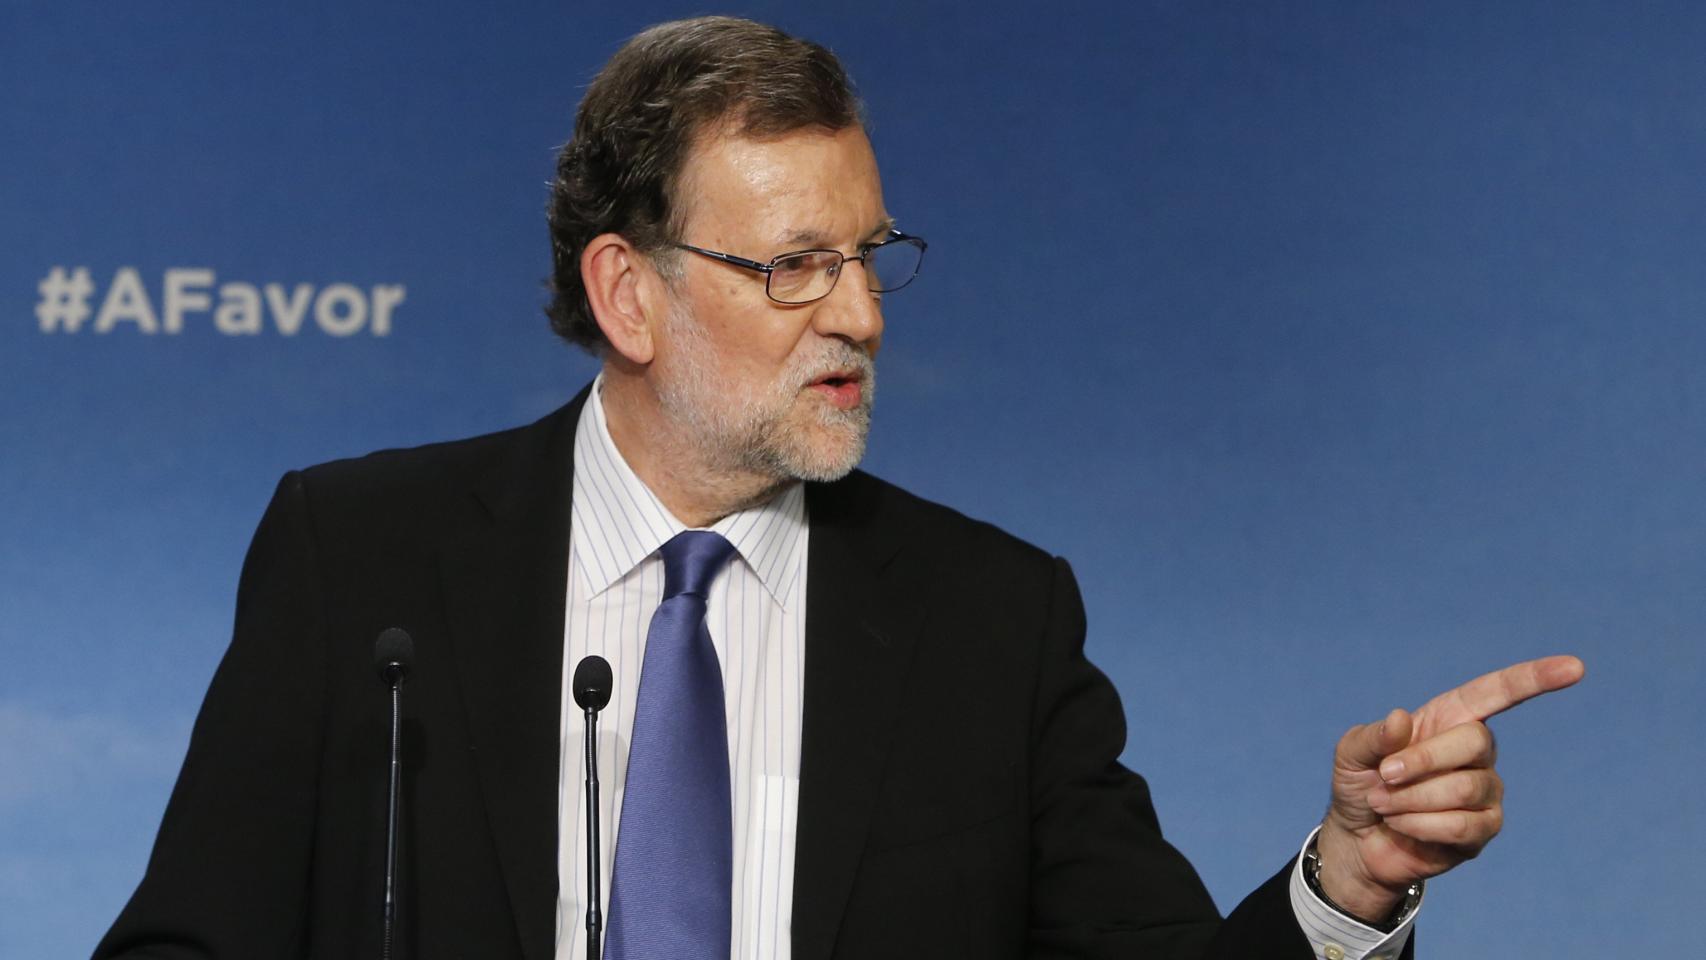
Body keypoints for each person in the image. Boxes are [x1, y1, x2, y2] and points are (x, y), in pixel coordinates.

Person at [94, 16, 1582, 960]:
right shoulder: (360, 559)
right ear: (629, 293)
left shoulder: (990, 620)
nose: (861, 315)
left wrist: (1348, 881)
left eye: (868, 256)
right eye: (795, 266)